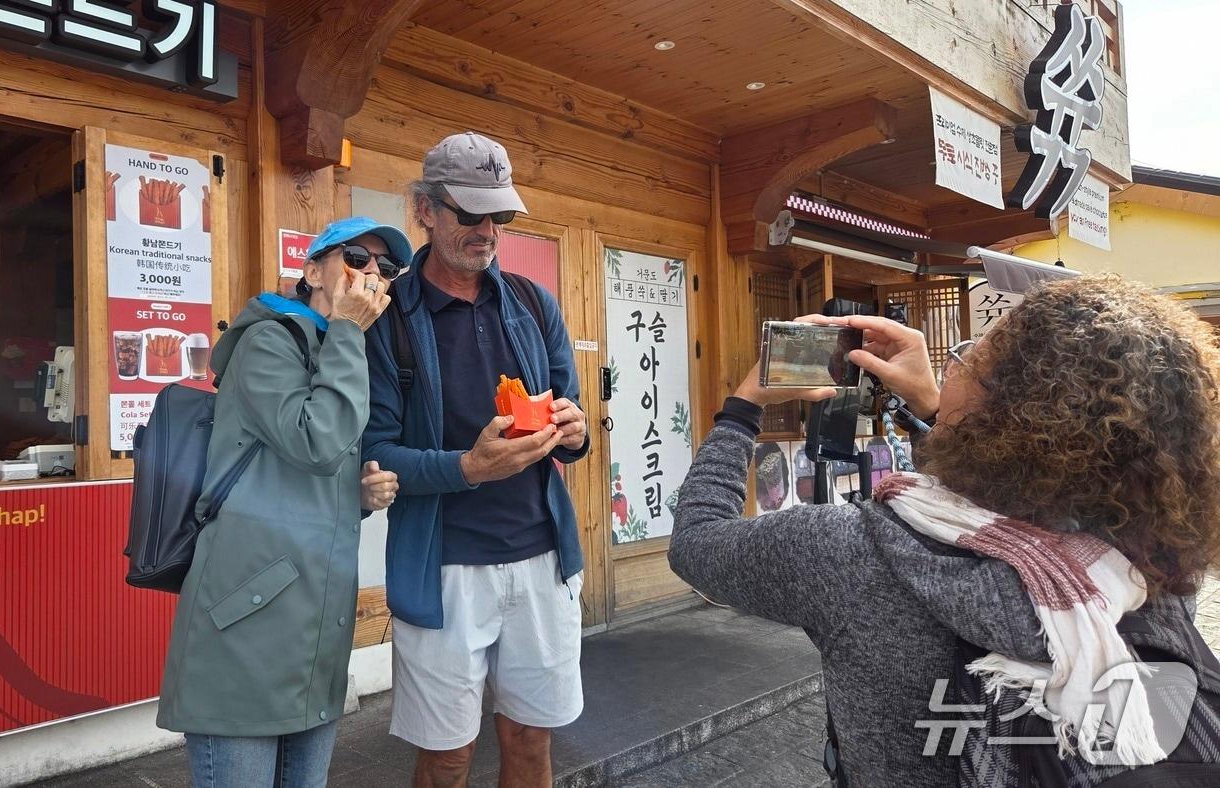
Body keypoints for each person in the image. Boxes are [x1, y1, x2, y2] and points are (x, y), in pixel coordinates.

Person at [668, 275, 1220, 787]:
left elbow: (696, 542)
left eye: (966, 360)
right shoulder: (1155, 561)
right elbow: (987, 508)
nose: (949, 370)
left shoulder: (850, 553)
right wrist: (937, 407)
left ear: (995, 409)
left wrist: (745, 405)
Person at [362, 132, 589, 788]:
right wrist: (466, 468)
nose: (487, 230)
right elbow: (373, 451)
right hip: (444, 567)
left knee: (529, 739)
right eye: (470, 213)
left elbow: (568, 416)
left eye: (500, 216)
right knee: (446, 757)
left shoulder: (531, 302)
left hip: (543, 555)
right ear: (425, 210)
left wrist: (572, 431)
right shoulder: (388, 320)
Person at [157, 217, 410, 788]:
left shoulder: (336, 346)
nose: (373, 274)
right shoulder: (268, 340)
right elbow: (318, 440)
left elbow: (297, 472)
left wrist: (359, 496)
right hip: (249, 621)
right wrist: (348, 333)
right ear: (312, 268)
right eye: (356, 257)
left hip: (310, 627)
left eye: (386, 268)